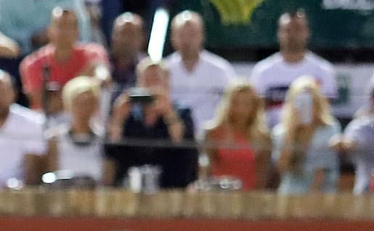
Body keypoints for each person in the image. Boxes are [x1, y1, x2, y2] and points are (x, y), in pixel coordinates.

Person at [105, 57, 197, 189]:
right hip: (130, 186)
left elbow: (181, 143)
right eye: (146, 80)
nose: (150, 85)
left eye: (156, 79)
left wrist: (168, 113)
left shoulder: (182, 112)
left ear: (167, 83)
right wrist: (118, 117)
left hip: (172, 187)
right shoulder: (129, 114)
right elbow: (112, 149)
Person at [250, 10, 337, 122]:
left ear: (307, 32)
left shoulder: (323, 71)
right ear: (279, 33)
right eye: (287, 30)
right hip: (271, 135)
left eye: (298, 29)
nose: (292, 35)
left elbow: (324, 113)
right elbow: (256, 113)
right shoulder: (262, 71)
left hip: (309, 137)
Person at [18, 7, 104, 113]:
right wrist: (83, 78)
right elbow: (47, 107)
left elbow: (103, 79)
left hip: (84, 118)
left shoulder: (92, 53)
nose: (64, 31)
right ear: (49, 31)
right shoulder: (32, 63)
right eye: (59, 26)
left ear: (78, 31)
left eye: (69, 26)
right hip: (48, 123)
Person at [165, 10, 233, 138]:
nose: (186, 40)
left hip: (213, 141)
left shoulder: (221, 70)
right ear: (172, 37)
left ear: (202, 36)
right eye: (181, 35)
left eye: (192, 34)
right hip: (174, 141)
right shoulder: (163, 70)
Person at [273, 76, 338, 195]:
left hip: (321, 195)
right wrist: (292, 133)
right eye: (300, 102)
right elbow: (282, 168)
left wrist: (311, 200)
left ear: (318, 104)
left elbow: (322, 169)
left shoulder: (329, 129)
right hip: (290, 193)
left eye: (309, 102)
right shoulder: (280, 132)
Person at [202, 80, 270, 190]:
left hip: (250, 197)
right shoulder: (213, 133)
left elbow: (262, 175)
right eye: (236, 102)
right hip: (218, 194)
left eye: (247, 103)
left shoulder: (263, 137)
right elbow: (207, 170)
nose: (241, 108)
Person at [46, 74, 104, 181]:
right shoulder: (54, 138)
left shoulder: (104, 138)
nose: (84, 108)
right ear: (69, 104)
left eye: (89, 103)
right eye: (79, 103)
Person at [105, 12, 145, 93]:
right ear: (113, 36)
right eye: (123, 33)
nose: (127, 39)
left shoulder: (147, 68)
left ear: (142, 38)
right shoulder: (102, 64)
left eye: (132, 34)